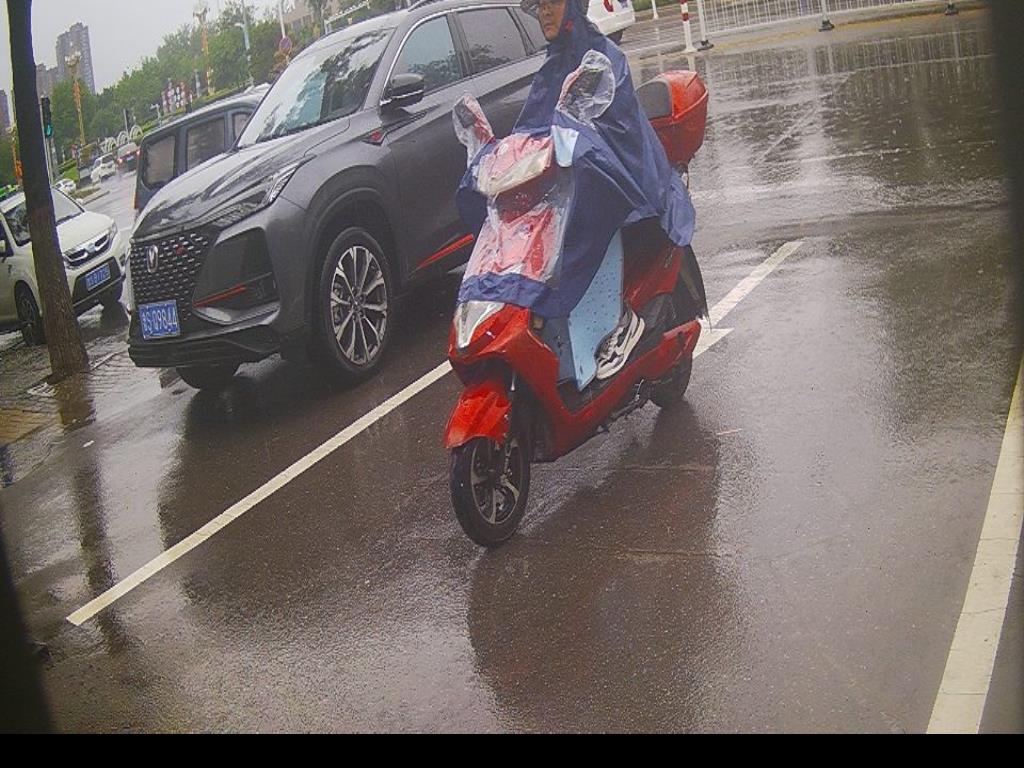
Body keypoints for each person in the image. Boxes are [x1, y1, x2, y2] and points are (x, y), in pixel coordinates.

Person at [457, 0, 697, 385]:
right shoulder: (553, 65)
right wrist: (501, 158)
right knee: (531, 236)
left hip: (624, 182)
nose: (544, 12)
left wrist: (574, 147)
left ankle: (622, 321)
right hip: (570, 184)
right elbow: (531, 130)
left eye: (552, 1)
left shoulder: (603, 58)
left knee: (588, 219)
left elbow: (615, 135)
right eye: (539, 4)